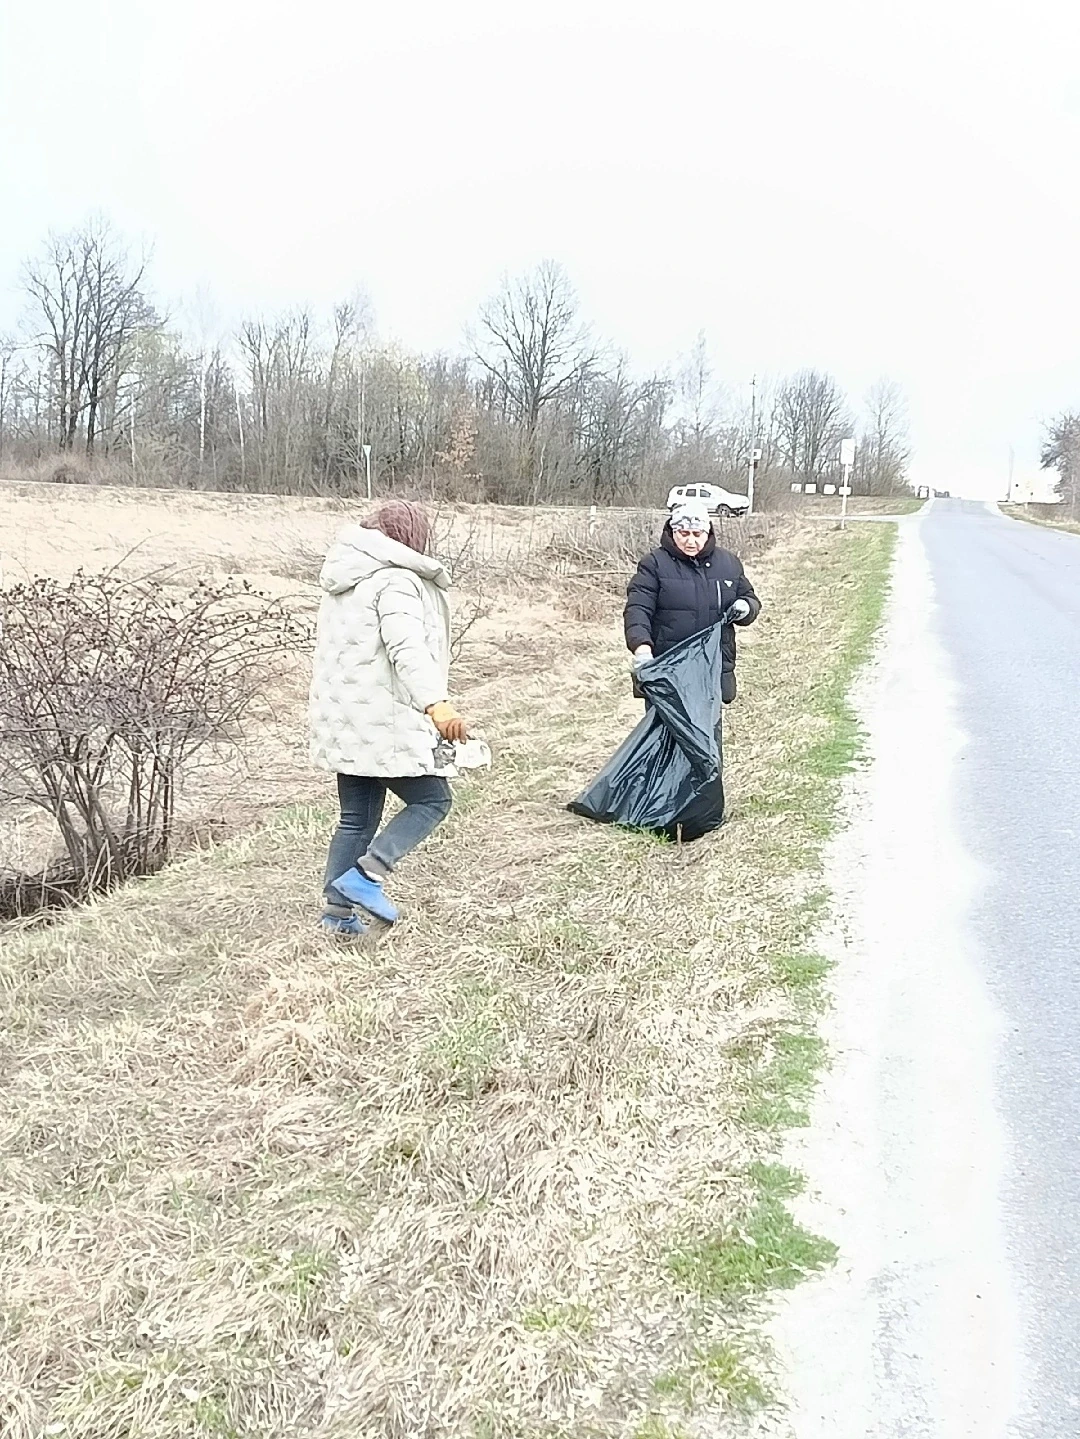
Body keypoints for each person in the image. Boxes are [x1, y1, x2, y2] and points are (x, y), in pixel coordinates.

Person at [309, 499, 467, 936]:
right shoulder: (395, 581)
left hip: (346, 719)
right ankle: (367, 876)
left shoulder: (344, 578)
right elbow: (407, 649)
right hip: (383, 720)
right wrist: (436, 702)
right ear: (411, 538)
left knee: (356, 819)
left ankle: (337, 917)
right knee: (433, 800)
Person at [624, 498, 761, 703]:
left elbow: (750, 598)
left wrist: (746, 607)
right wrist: (641, 648)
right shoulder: (654, 565)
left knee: (706, 734)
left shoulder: (728, 564)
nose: (691, 541)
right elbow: (637, 609)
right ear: (673, 532)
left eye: (697, 535)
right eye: (684, 534)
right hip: (668, 670)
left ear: (707, 533)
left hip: (713, 671)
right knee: (666, 734)